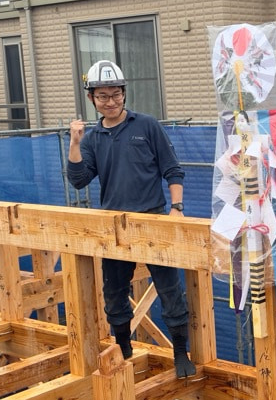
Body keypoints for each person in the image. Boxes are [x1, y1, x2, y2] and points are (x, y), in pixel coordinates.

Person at [67, 60, 197, 379]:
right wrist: (75, 142)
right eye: (102, 96)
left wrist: (177, 207)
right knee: (114, 293)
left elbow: (172, 169)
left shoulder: (146, 126)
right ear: (92, 98)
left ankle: (181, 352)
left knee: (169, 289)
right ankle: (124, 349)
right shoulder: (93, 138)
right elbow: (79, 180)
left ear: (124, 94)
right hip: (114, 225)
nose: (110, 102)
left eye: (115, 94)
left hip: (152, 220)